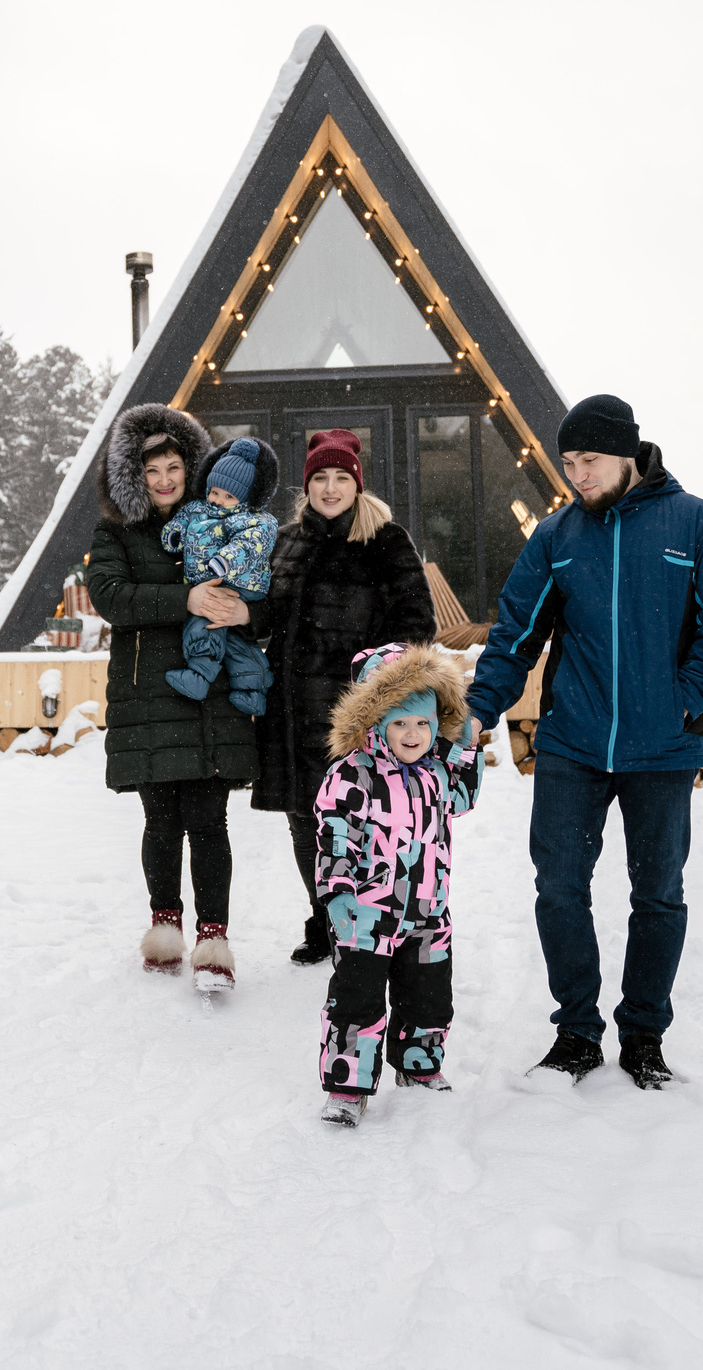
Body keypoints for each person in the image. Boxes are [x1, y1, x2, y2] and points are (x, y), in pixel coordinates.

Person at [465, 395, 703, 1090]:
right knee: (559, 887)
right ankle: (576, 1033)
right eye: (568, 465)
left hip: (663, 748)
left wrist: (683, 696)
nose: (578, 476)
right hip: (574, 743)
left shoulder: (696, 524)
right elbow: (515, 633)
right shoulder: (559, 536)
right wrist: (480, 705)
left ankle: (645, 1036)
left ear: (628, 452)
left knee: (658, 893)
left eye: (589, 461)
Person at [85, 404, 274, 993]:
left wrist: (248, 612)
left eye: (174, 466)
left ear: (191, 467)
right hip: (148, 696)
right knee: (161, 821)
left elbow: (264, 593)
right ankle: (164, 926)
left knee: (209, 821)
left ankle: (213, 939)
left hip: (211, 696)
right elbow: (111, 596)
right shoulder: (115, 532)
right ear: (133, 478)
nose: (165, 479)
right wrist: (186, 599)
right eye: (152, 471)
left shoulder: (226, 519)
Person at [252, 428, 436, 965]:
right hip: (290, 711)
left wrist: (373, 692)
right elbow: (268, 615)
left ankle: (366, 917)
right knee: (305, 822)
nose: (329, 488)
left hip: (356, 717)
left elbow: (416, 625)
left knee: (360, 823)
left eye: (340, 477)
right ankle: (324, 919)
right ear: (306, 485)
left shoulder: (386, 539)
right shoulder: (288, 541)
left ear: (356, 483)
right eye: (319, 478)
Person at [311, 643, 481, 1128]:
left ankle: (418, 1065)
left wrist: (464, 747)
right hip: (366, 914)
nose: (413, 734)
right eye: (400, 722)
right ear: (374, 720)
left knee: (428, 995)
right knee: (357, 998)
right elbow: (334, 834)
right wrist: (338, 890)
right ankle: (347, 1086)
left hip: (428, 910)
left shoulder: (437, 773)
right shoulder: (352, 774)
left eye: (423, 723)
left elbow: (464, 800)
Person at [160, 437, 278, 715]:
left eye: (228, 496)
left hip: (241, 584)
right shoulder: (197, 509)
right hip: (212, 581)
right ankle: (252, 688)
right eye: (214, 491)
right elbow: (178, 524)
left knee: (203, 624)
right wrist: (173, 536)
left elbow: (249, 546)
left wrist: (224, 562)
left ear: (245, 498)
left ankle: (199, 675)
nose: (218, 500)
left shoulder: (256, 520)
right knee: (235, 639)